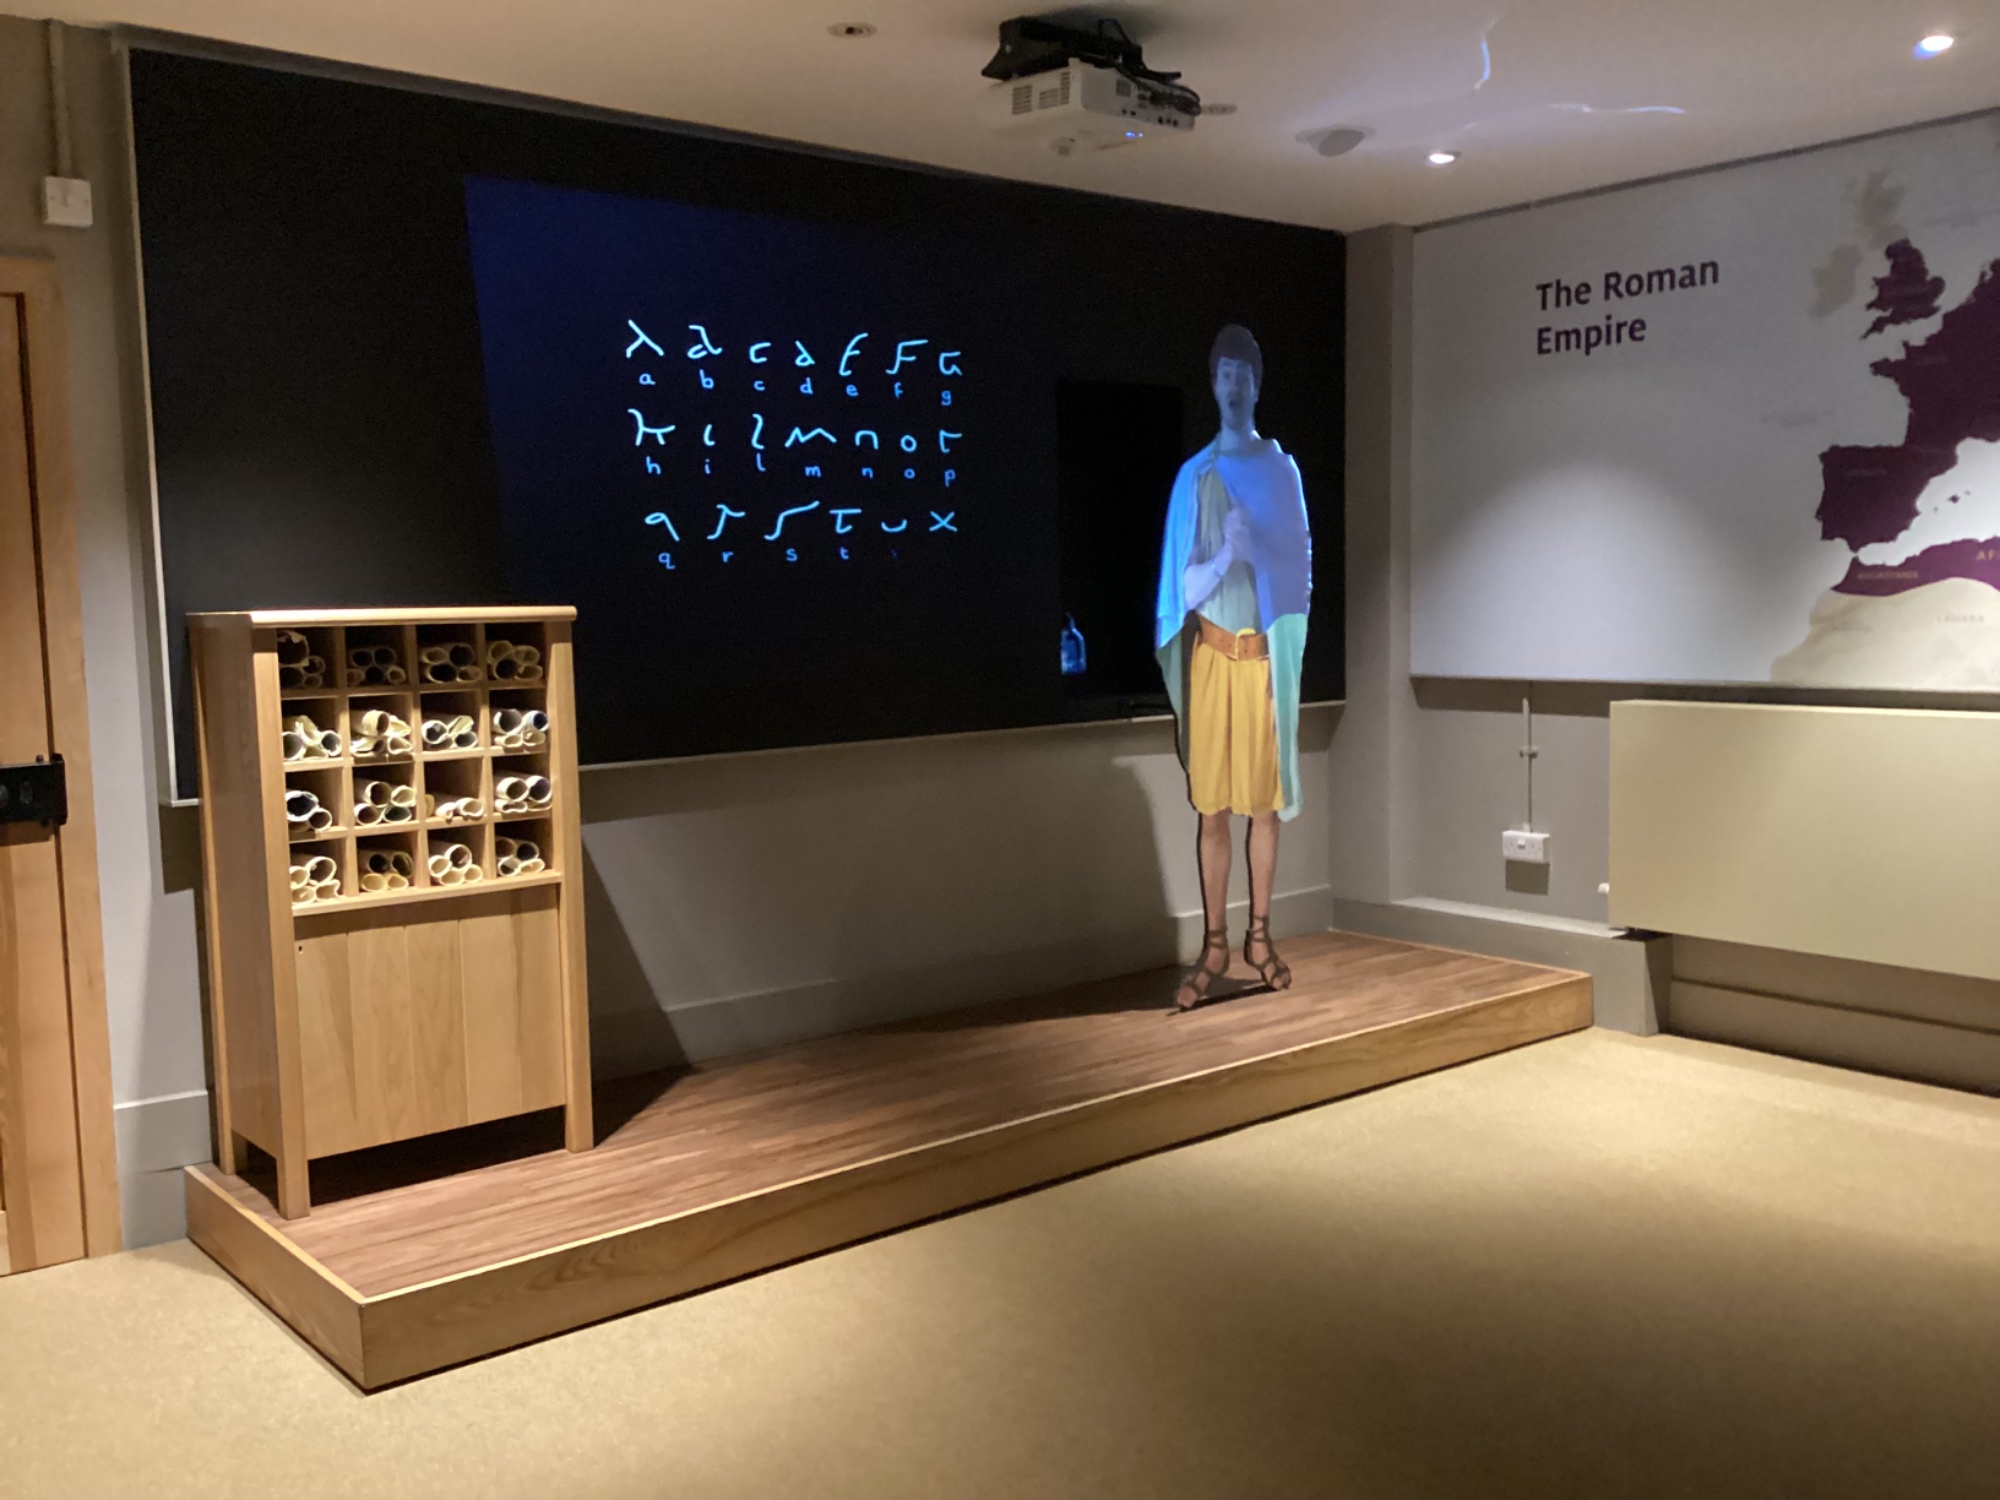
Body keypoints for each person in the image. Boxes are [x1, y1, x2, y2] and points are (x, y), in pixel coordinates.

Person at [1154, 324, 1312, 1011]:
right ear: (1214, 385)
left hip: (1263, 659)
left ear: (1256, 384)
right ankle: (1215, 943)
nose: (1234, 387)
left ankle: (1259, 937)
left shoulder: (1281, 473)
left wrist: (1262, 555)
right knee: (1213, 808)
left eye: (1244, 375)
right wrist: (1226, 555)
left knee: (1265, 809)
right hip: (1214, 658)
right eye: (1225, 375)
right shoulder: (1197, 477)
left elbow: (1300, 574)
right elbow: (1180, 591)